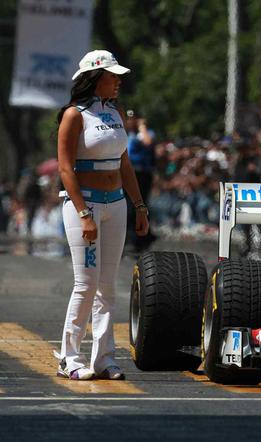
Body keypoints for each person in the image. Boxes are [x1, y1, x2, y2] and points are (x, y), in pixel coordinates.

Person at [55, 50, 148, 380]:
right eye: (112, 76)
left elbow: (124, 164)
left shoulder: (116, 112)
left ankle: (104, 358)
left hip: (116, 204)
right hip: (86, 205)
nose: (118, 81)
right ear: (95, 79)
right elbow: (66, 168)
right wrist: (83, 213)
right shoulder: (74, 115)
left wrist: (139, 205)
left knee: (107, 286)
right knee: (86, 283)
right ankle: (69, 356)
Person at [125, 110, 156, 251]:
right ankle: (130, 238)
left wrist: (142, 126)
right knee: (128, 207)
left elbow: (147, 142)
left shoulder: (145, 133)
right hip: (127, 173)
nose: (130, 121)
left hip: (141, 173)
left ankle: (142, 237)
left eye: (133, 118)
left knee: (141, 205)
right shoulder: (125, 134)